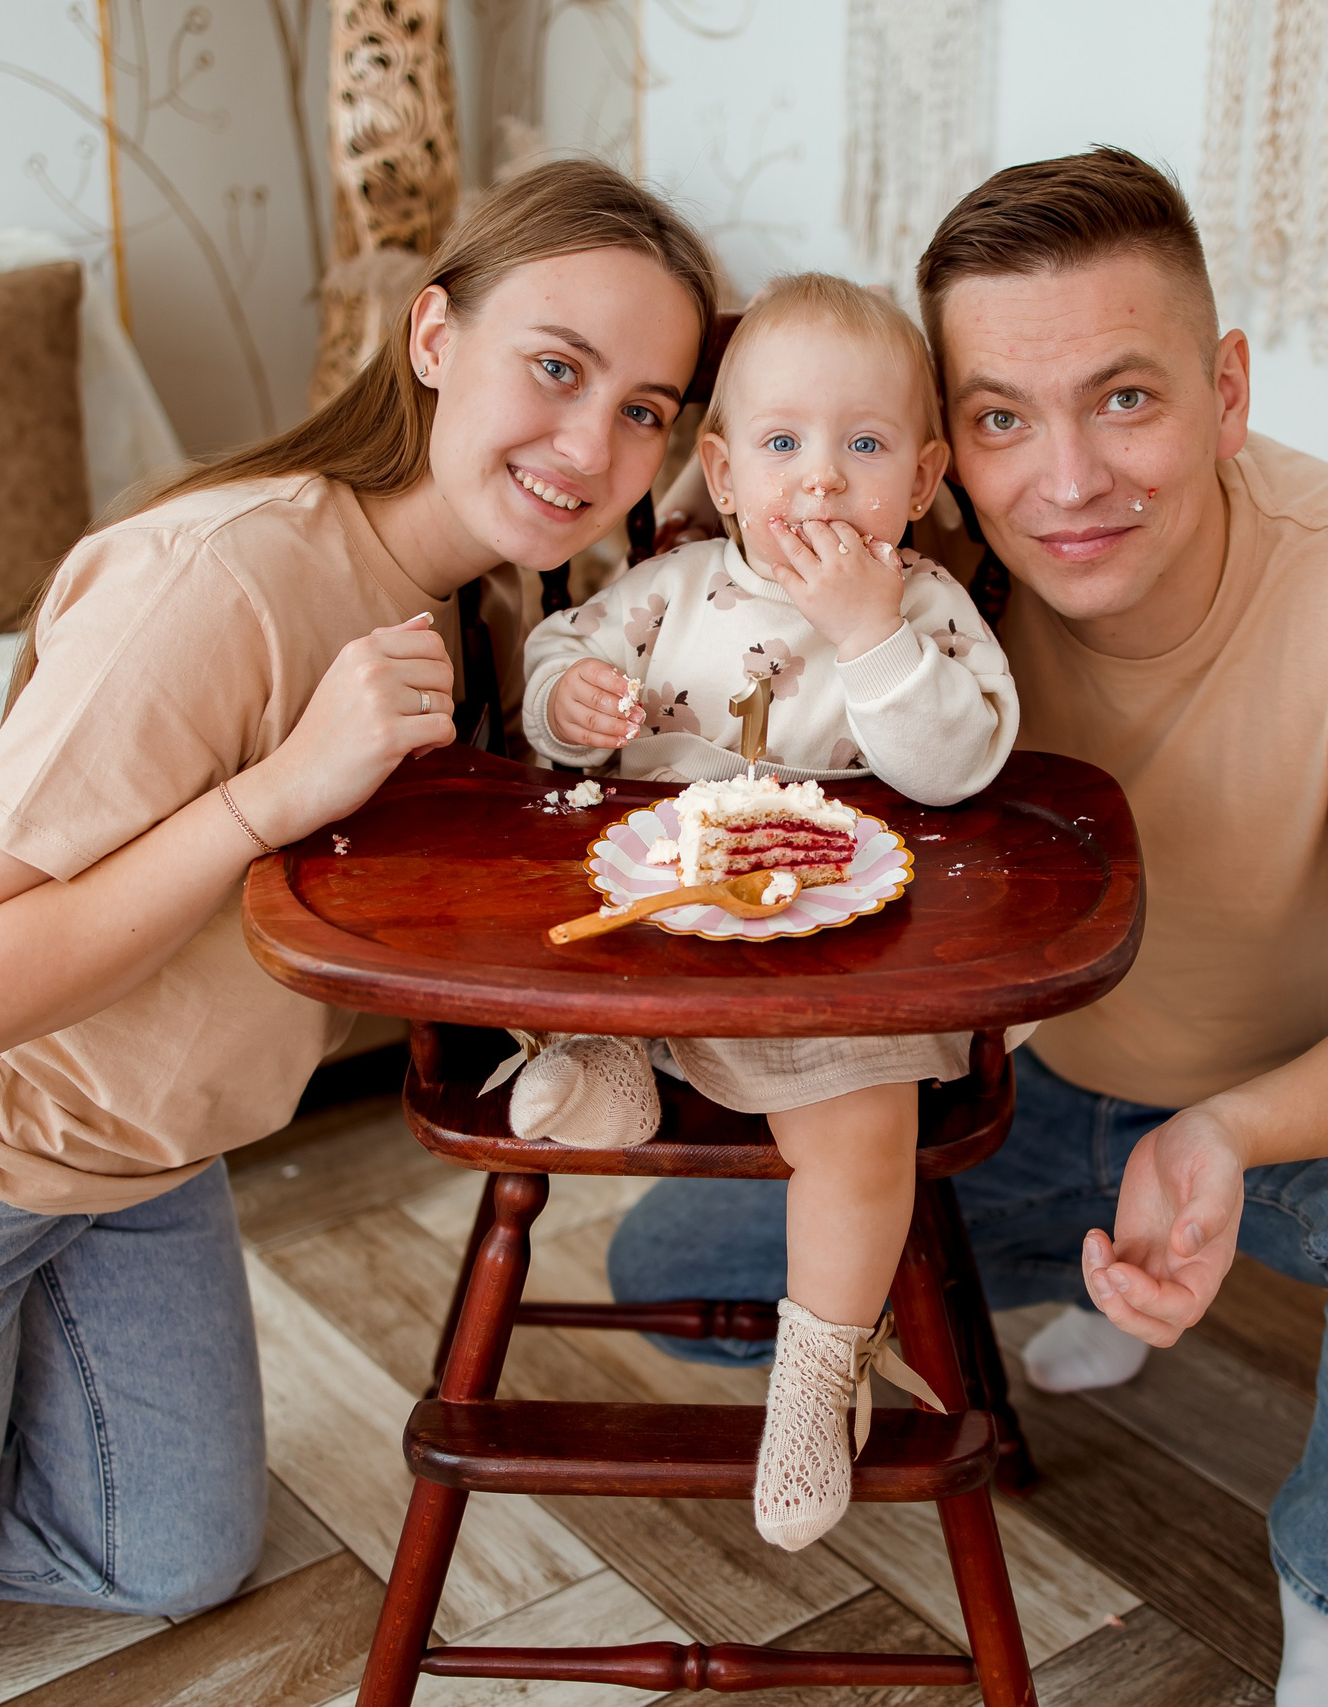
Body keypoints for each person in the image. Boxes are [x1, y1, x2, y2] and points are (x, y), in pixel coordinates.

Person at [0, 159, 718, 1687]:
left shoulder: (466, 613)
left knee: (171, 1557)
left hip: (134, 1158)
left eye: (647, 408)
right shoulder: (225, 576)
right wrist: (279, 789)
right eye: (557, 367)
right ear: (434, 338)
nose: (594, 443)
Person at [609, 148, 1328, 1707]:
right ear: (935, 456)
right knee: (667, 1270)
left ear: (1227, 390)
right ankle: (1081, 1260)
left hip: (1279, 1095)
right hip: (1017, 1091)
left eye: (1126, 397)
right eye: (998, 418)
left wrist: (1227, 1135)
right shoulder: (916, 577)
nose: (1066, 478)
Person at [517, 273, 1015, 1551]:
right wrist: (568, 700)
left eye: (863, 446)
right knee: (573, 954)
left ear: (920, 478)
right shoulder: (670, 593)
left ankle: (818, 1367)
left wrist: (865, 633)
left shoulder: (923, 612)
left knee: (864, 1131)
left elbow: (961, 762)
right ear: (725, 474)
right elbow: (559, 646)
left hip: (833, 959)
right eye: (784, 445)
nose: (822, 482)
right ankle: (603, 1066)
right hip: (658, 923)